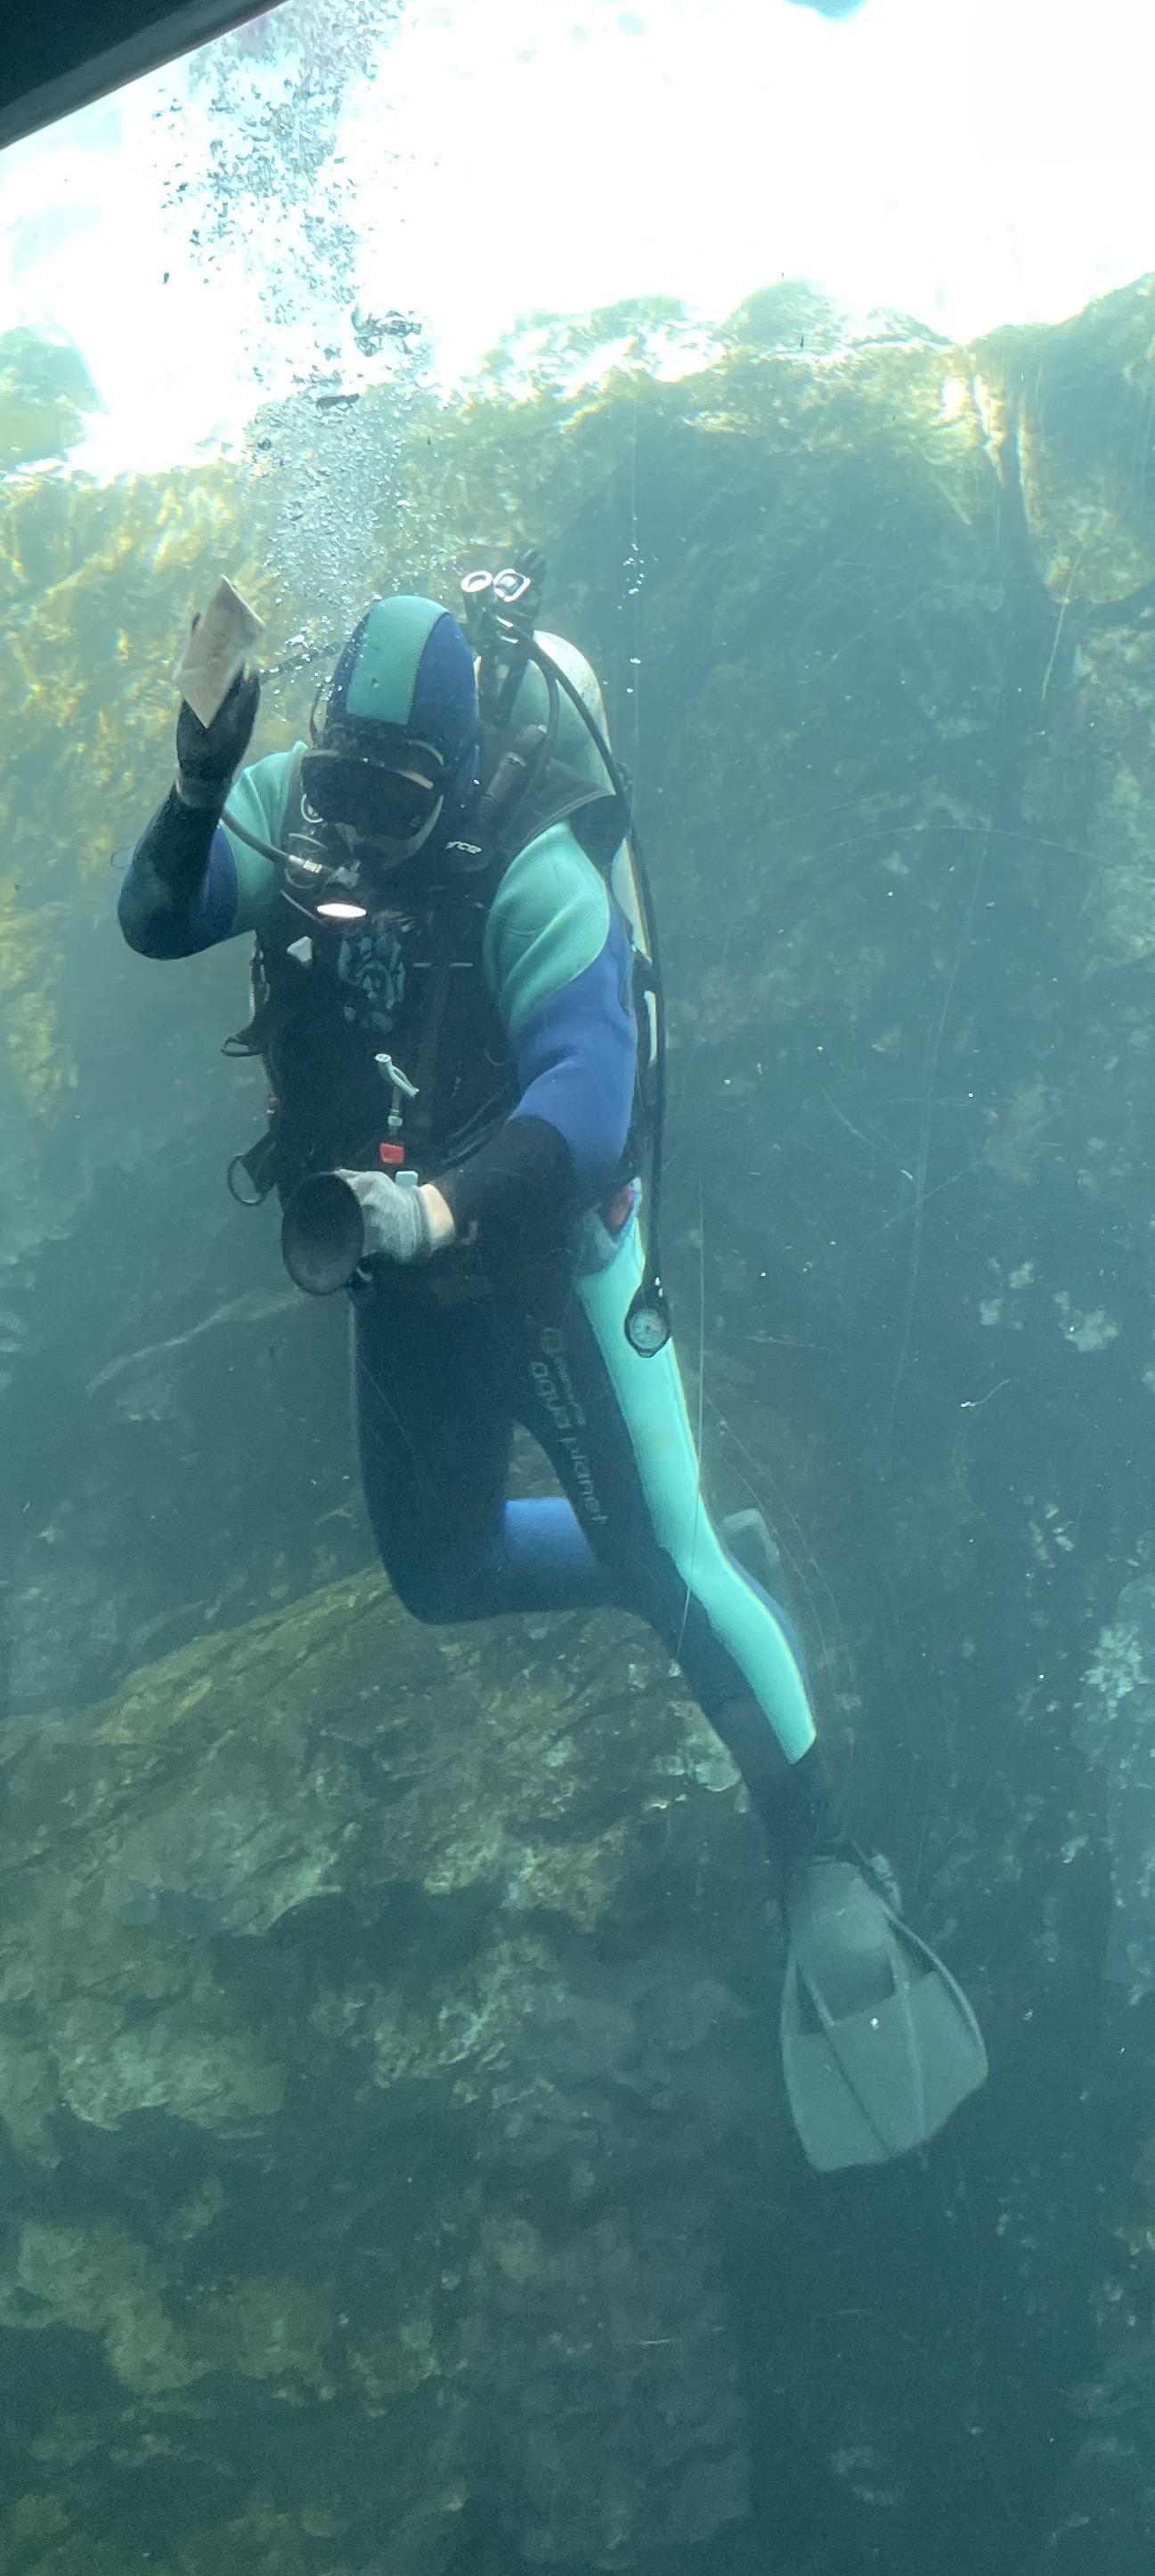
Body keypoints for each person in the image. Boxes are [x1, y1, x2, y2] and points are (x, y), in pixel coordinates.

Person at [118, 578, 984, 2170]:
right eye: (345, 786)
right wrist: (193, 785)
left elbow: (590, 1098)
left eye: (401, 799)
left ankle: (826, 1857)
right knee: (441, 1573)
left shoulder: (535, 862)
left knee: (668, 1554)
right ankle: (701, 1568)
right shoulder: (289, 806)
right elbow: (158, 918)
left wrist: (439, 1207)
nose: (363, 829)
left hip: (548, 1259)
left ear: (459, 778)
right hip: (398, 1251)